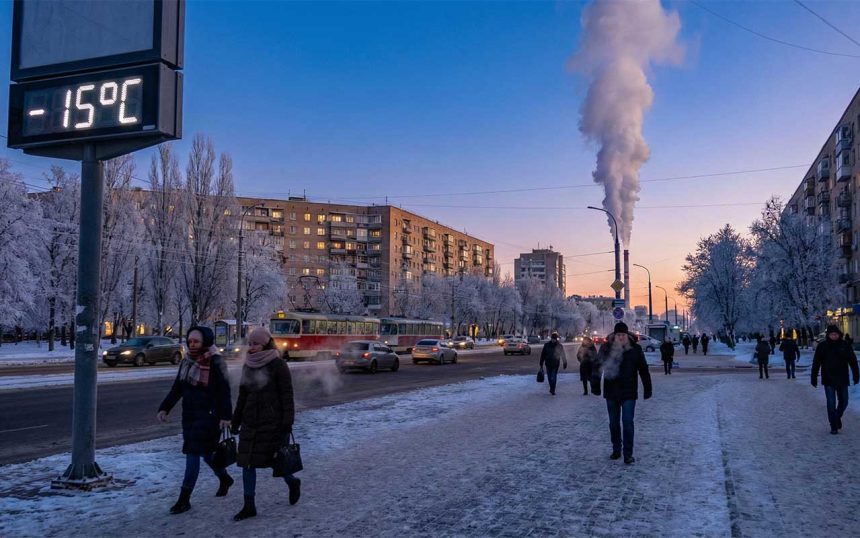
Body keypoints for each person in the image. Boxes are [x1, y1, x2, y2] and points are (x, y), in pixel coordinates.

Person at [157, 326, 233, 515]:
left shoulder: (216, 361)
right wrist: (165, 408)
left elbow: (224, 391)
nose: (192, 344)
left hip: (209, 416)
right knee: (207, 454)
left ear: (205, 341)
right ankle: (224, 478)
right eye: (190, 341)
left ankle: (184, 499)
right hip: (189, 416)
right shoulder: (187, 361)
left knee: (192, 454)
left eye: (196, 341)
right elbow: (177, 388)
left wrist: (225, 416)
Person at [231, 327, 300, 521]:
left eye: (256, 343)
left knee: (278, 463)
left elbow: (287, 396)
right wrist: (236, 420)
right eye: (250, 344)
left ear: (266, 344)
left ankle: (292, 482)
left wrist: (287, 423)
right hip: (250, 422)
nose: (252, 347)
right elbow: (242, 396)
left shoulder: (278, 365)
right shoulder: (248, 365)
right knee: (247, 463)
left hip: (273, 424)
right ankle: (249, 505)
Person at [595, 322, 652, 465]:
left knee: (627, 422)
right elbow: (597, 367)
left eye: (623, 335)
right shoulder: (606, 348)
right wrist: (595, 385)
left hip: (629, 392)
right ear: (614, 335)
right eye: (618, 335)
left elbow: (643, 369)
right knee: (614, 423)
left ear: (627, 335)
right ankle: (616, 449)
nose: (620, 337)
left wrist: (648, 388)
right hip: (611, 392)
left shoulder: (635, 349)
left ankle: (628, 454)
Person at [811, 325, 860, 434]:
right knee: (831, 402)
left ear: (839, 334)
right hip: (828, 378)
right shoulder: (822, 346)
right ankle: (833, 425)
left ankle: (837, 417)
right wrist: (813, 377)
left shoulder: (845, 345)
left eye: (836, 334)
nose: (834, 336)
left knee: (844, 401)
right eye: (832, 334)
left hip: (842, 378)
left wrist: (856, 375)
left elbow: (853, 361)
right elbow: (816, 362)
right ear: (828, 335)